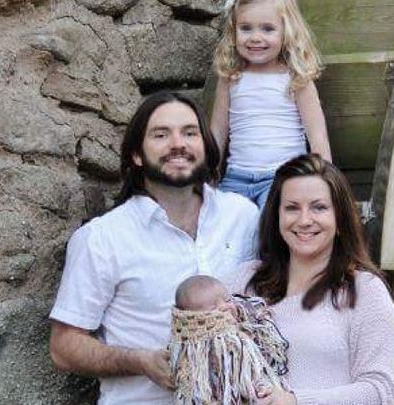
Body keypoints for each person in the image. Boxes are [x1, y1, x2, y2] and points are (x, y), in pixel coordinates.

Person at [48, 91, 260, 405]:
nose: (178, 144)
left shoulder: (244, 216)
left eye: (190, 133)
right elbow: (63, 347)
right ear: (136, 154)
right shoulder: (102, 238)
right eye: (161, 135)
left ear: (205, 145)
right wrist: (141, 362)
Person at [226, 154, 394, 405]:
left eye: (319, 207)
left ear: (340, 219)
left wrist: (296, 401)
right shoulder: (244, 281)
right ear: (276, 217)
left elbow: (380, 392)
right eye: (292, 208)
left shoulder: (365, 291)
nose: (304, 220)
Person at [211, 0, 332, 209]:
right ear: (233, 31)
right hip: (236, 178)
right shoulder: (230, 78)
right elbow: (217, 131)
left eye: (268, 29)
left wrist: (325, 185)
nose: (255, 38)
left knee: (271, 222)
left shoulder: (297, 78)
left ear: (287, 32)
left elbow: (318, 137)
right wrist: (208, 175)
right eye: (246, 28)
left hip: (284, 179)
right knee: (225, 221)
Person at [169, 275, 289, 404]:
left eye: (227, 300)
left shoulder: (252, 323)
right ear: (194, 321)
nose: (225, 307)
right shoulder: (194, 352)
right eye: (212, 309)